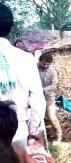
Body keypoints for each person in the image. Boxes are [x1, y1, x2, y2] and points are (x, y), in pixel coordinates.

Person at [0, 3, 46, 148]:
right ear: (10, 27)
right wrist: (32, 132)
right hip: (17, 134)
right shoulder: (26, 59)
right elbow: (38, 102)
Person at [38, 53, 62, 143]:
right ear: (39, 61)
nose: (46, 66)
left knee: (52, 118)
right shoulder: (34, 68)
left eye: (48, 64)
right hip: (36, 97)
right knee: (37, 118)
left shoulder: (52, 72)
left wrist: (43, 89)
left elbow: (54, 86)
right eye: (44, 64)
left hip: (48, 98)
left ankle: (59, 136)